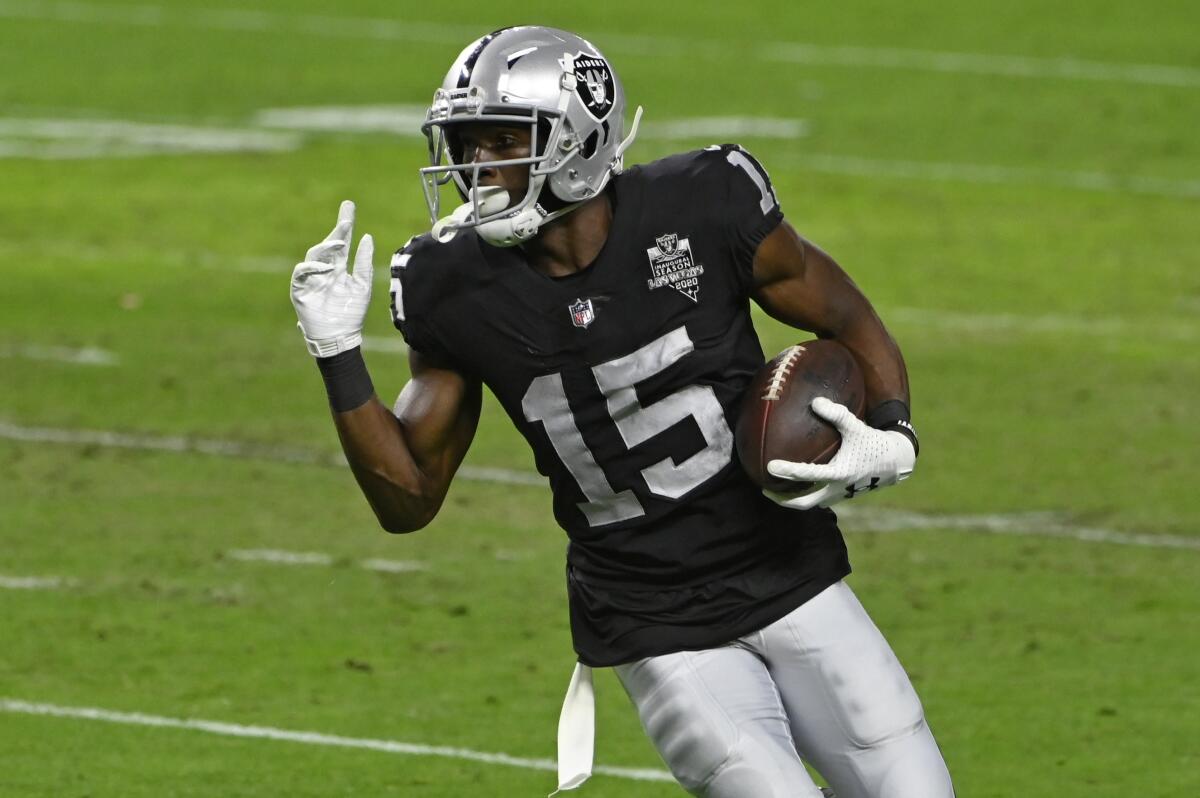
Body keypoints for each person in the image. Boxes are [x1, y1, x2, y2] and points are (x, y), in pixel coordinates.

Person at [289, 25, 954, 798]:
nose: (477, 167)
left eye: (503, 141)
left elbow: (843, 313)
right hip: (653, 618)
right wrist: (337, 354)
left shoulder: (704, 205)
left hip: (791, 570)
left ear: (577, 142)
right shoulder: (452, 285)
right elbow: (407, 499)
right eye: (467, 144)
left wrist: (895, 427)